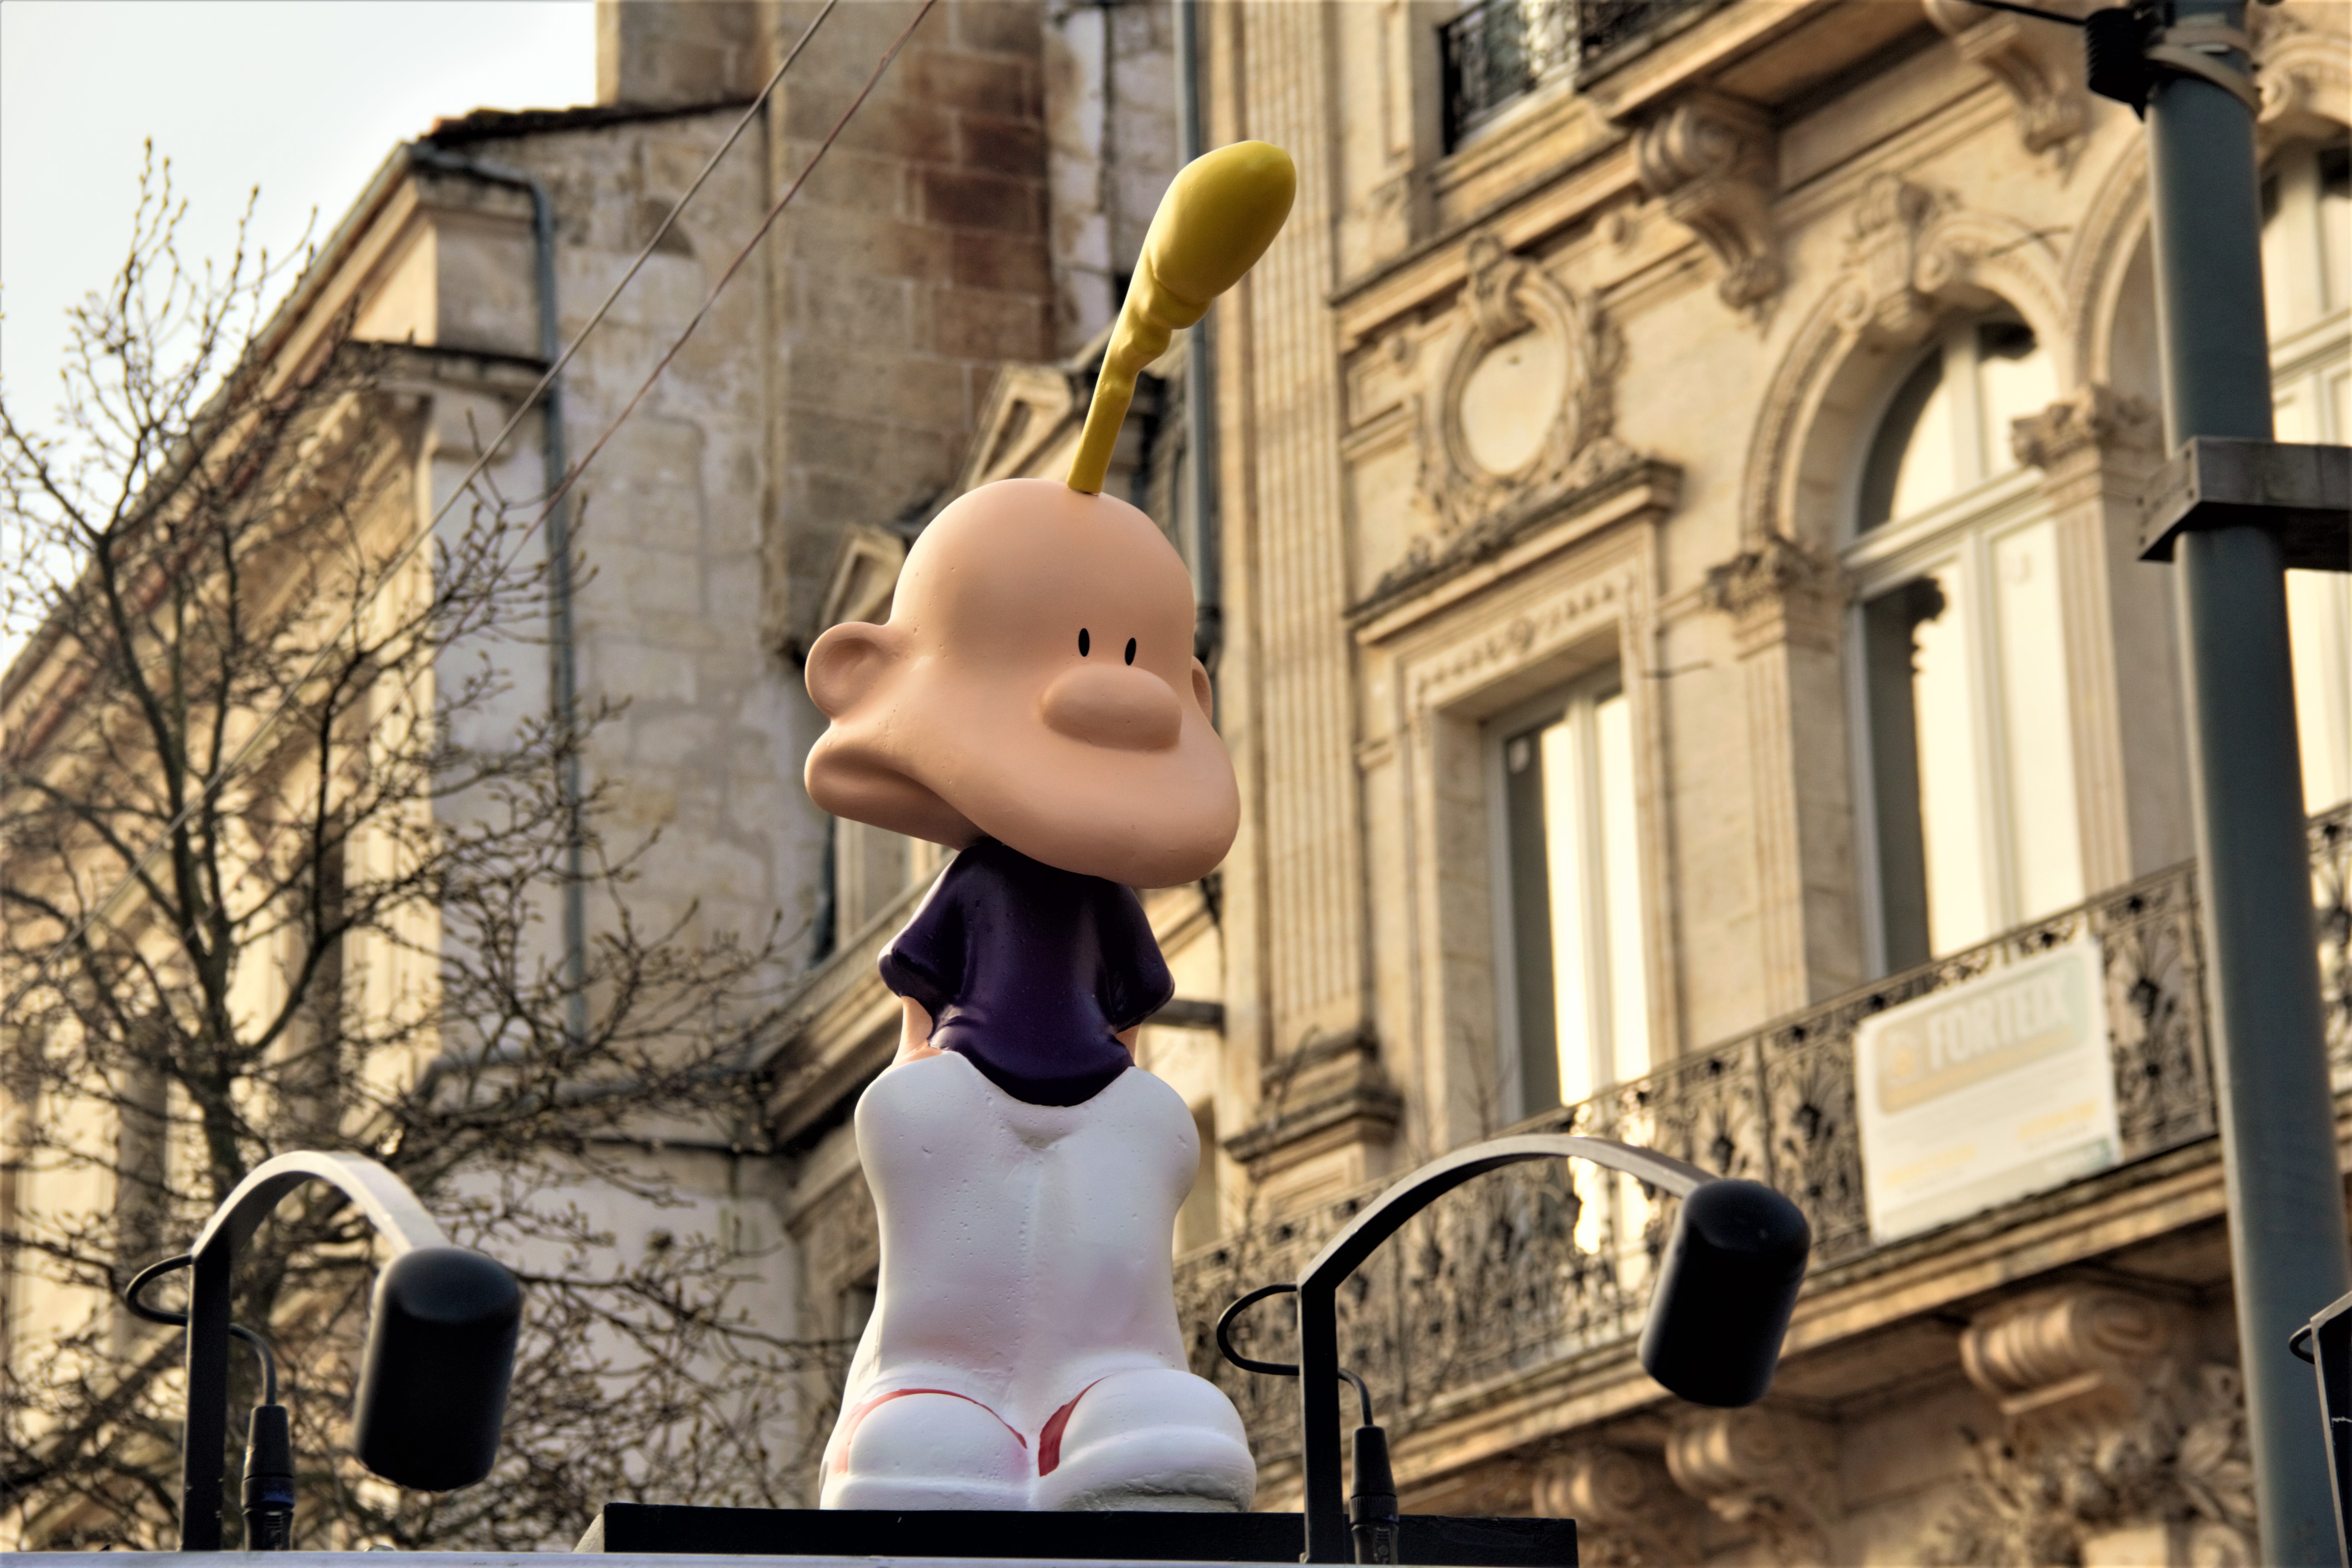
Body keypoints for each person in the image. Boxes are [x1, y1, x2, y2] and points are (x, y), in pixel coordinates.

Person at [802, 142, 1294, 1512]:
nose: (1110, 690)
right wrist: (919, 1090)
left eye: (1139, 662)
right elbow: (919, 1002)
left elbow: (1133, 1013)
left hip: (1086, 1098)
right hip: (973, 1088)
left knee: (1137, 1159)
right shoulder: (977, 882)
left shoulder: (1098, 897)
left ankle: (1112, 1389)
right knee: (939, 1168)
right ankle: (933, 1397)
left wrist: (1119, 1101)